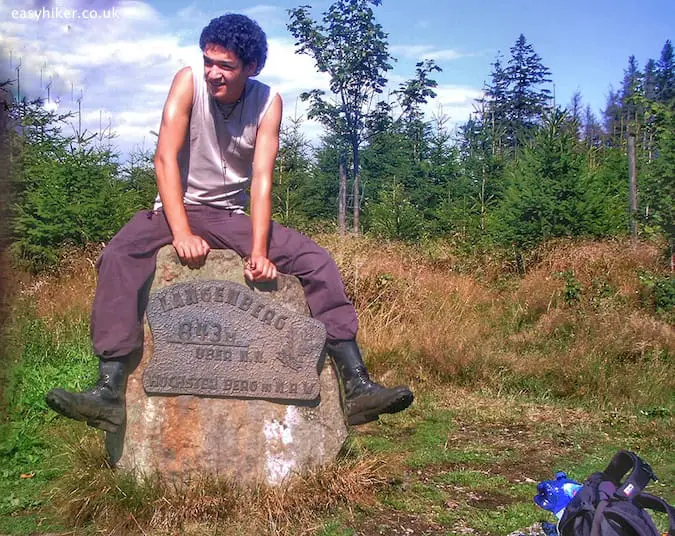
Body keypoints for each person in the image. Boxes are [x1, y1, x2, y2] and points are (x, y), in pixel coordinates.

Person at [45, 14, 413, 432]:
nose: (213, 73)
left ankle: (357, 385)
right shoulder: (188, 83)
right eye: (209, 61)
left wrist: (258, 251)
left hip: (229, 215)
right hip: (175, 208)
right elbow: (165, 158)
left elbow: (261, 180)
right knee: (120, 253)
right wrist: (180, 230)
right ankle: (108, 389)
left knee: (316, 260)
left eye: (226, 66)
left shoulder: (268, 100)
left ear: (251, 67)